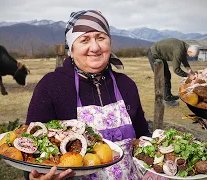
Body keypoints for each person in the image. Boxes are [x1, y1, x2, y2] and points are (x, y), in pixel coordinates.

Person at [25, 10, 151, 180]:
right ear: (72, 48)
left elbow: (142, 135)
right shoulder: (51, 86)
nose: (95, 47)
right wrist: (33, 177)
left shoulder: (126, 84)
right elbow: (29, 148)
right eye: (84, 40)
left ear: (109, 42)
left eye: (101, 38)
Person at [148, 38, 199, 107]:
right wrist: (188, 75)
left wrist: (190, 70)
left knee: (167, 75)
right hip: (154, 55)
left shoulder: (185, 47)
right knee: (163, 77)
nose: (190, 57)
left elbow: (184, 60)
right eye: (191, 56)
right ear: (189, 52)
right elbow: (176, 69)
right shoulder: (179, 50)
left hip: (160, 55)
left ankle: (168, 95)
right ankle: (166, 100)